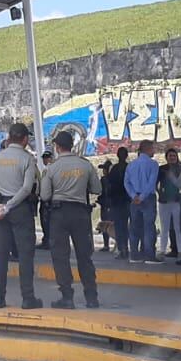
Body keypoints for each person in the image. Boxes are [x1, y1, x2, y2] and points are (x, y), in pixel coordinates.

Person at [41, 131, 103, 309]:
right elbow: (97, 189)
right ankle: (91, 297)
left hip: (59, 214)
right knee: (84, 256)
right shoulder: (85, 165)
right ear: (72, 145)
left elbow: (45, 195)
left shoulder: (51, 168)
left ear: (57, 147)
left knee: (61, 256)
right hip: (81, 214)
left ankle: (67, 297)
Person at [0, 123, 42, 309]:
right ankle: (28, 298)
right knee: (25, 254)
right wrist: (9, 206)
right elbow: (26, 188)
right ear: (25, 139)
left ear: (9, 138)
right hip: (20, 208)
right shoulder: (28, 159)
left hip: (1, 207)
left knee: (1, 254)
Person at [122, 140, 160, 263]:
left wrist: (134, 196)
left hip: (134, 198)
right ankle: (149, 255)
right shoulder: (153, 164)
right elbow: (151, 183)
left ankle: (134, 255)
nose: (154, 151)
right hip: (148, 197)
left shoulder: (131, 165)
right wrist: (142, 197)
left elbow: (126, 182)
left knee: (134, 226)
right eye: (153, 148)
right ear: (148, 149)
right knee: (149, 227)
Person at [105, 147, 131, 259]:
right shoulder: (129, 167)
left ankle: (122, 249)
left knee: (119, 226)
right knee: (128, 226)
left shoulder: (114, 169)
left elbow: (109, 185)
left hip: (116, 201)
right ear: (127, 155)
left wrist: (109, 199)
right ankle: (129, 248)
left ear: (117, 155)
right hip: (128, 199)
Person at [157, 148, 181, 259]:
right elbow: (156, 182)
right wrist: (159, 192)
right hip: (164, 202)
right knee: (164, 228)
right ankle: (162, 250)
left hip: (177, 202)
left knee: (178, 227)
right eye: (170, 156)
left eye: (174, 155)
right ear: (166, 158)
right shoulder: (161, 169)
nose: (172, 158)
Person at [36, 150, 56, 251]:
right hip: (49, 198)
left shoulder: (48, 170)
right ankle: (47, 240)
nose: (45, 160)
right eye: (44, 158)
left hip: (48, 199)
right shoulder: (51, 169)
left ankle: (47, 241)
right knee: (47, 221)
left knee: (46, 221)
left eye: (47, 158)